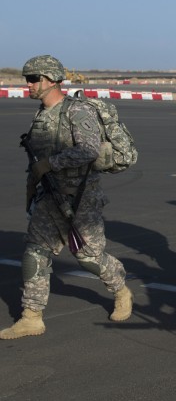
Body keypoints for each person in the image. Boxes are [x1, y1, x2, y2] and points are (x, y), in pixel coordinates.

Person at [0, 55, 133, 339]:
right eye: (27, 79)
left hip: (80, 197)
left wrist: (50, 164)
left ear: (50, 80)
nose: (29, 84)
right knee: (35, 252)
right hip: (49, 195)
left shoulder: (76, 111)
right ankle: (31, 317)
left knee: (88, 258)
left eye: (34, 79)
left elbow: (89, 150)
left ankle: (121, 290)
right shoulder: (42, 114)